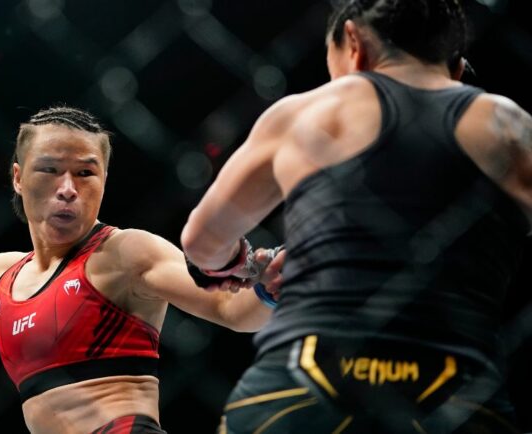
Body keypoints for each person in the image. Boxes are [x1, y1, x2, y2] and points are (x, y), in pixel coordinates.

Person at [181, 0, 532, 433]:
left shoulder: (307, 112)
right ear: (456, 68)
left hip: (300, 385)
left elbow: (200, 243)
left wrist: (244, 263)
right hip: (454, 391)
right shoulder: (509, 125)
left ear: (354, 43)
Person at [0, 106, 284, 434]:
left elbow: (231, 312)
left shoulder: (125, 253)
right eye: (49, 169)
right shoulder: (0, 275)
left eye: (85, 172)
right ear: (18, 178)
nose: (68, 187)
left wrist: (270, 288)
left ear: (104, 180)